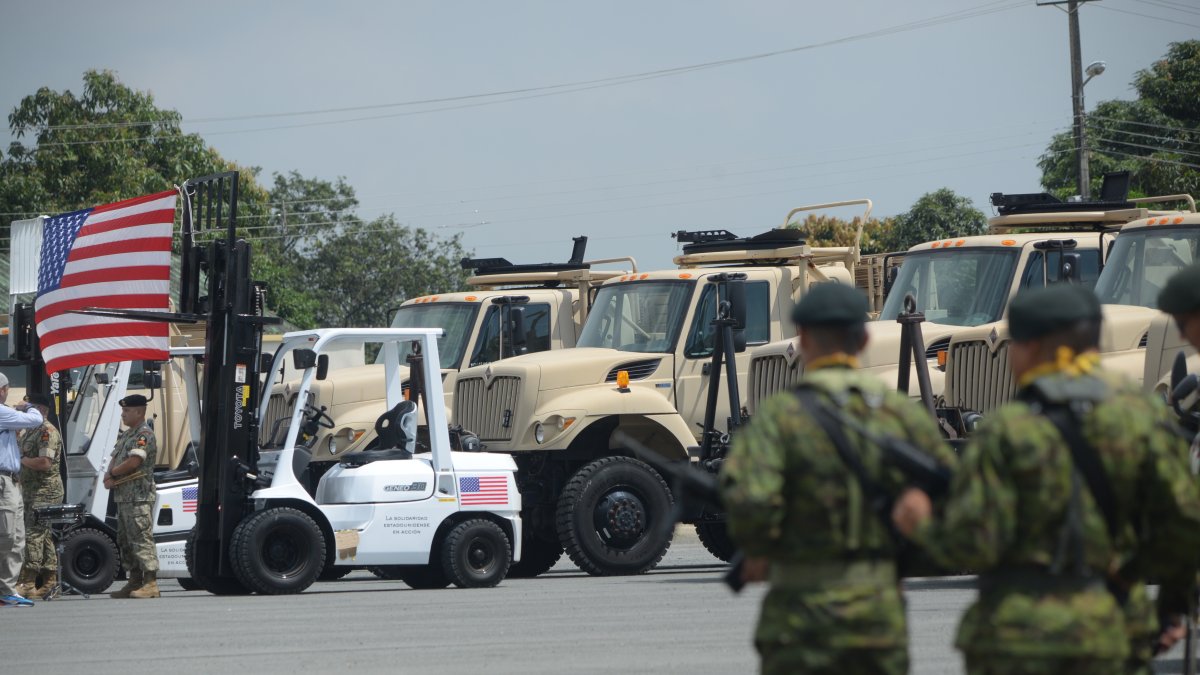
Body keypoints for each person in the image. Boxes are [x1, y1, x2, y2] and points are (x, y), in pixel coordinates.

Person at [893, 283, 1200, 674]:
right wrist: (1171, 608)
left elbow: (970, 544)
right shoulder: (1145, 418)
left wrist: (920, 525)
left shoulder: (1007, 431)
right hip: (1113, 634)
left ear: (1031, 347)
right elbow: (1183, 525)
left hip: (1019, 641)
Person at [719, 282, 955, 675]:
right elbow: (953, 501)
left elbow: (750, 505)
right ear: (864, 339)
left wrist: (763, 547)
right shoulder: (899, 414)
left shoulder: (778, 417)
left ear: (802, 339)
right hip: (875, 613)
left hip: (798, 615)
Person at [104, 394, 160, 599]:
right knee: (126, 540)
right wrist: (108, 476)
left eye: (126, 411)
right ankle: (134, 581)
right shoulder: (127, 435)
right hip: (124, 496)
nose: (123, 414)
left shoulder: (144, 434)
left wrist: (112, 474)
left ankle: (151, 583)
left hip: (139, 497)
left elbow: (134, 461)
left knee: (141, 539)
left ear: (139, 412)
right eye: (123, 410)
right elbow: (115, 457)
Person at [0, 373, 49, 607]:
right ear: (2, 390)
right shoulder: (2, 412)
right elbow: (36, 419)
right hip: (3, 482)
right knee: (7, 536)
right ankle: (4, 589)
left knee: (17, 537)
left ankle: (7, 590)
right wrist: (27, 406)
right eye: (7, 390)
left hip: (11, 481)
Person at [14, 393, 63, 599]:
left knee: (33, 535)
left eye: (29, 408)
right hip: (32, 491)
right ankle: (50, 582)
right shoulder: (31, 431)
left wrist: (21, 459)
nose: (26, 412)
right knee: (44, 536)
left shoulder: (46, 431)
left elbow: (44, 463)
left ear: (41, 410)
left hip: (46, 491)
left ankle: (28, 582)